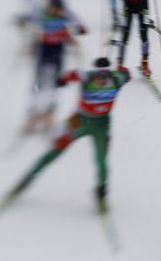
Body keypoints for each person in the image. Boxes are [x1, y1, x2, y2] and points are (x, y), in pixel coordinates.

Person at [7, 58, 131, 213]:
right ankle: (27, 179)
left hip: (101, 124)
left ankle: (101, 192)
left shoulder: (116, 79)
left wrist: (123, 71)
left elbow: (126, 74)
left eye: (104, 76)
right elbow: (69, 75)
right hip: (79, 121)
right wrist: (61, 80)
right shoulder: (87, 77)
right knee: (55, 150)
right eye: (99, 76)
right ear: (95, 73)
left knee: (101, 158)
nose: (101, 80)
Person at [22, 0, 87, 133]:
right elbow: (30, 18)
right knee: (38, 83)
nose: (57, 11)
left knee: (56, 83)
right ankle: (32, 114)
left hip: (58, 50)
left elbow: (77, 22)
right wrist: (21, 20)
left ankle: (49, 113)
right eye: (54, 8)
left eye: (59, 8)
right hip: (44, 49)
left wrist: (81, 28)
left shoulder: (66, 13)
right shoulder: (42, 13)